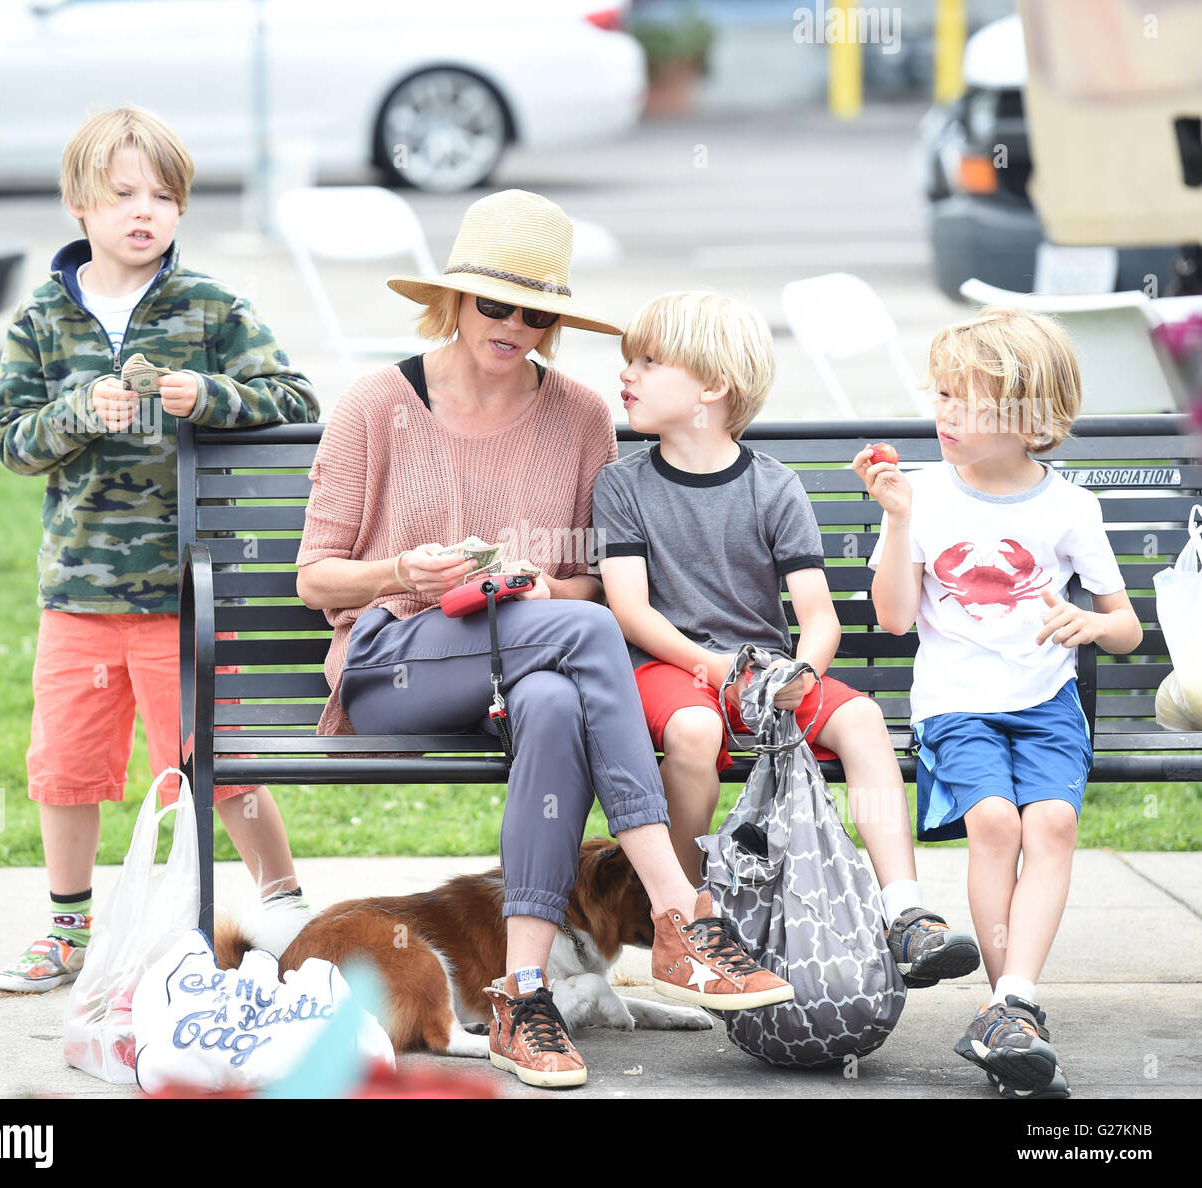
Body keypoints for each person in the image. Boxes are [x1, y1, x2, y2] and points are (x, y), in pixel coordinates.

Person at [296, 190, 793, 1090]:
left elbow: (584, 588)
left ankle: (522, 999)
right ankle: (681, 910)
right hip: (394, 664)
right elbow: (315, 577)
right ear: (452, 299)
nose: (516, 325)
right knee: (587, 634)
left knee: (561, 695)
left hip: (528, 661)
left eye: (538, 311)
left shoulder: (580, 417)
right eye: (496, 304)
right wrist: (406, 572)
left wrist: (530, 585)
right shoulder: (376, 404)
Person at [0, 107, 320, 993]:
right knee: (67, 770)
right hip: (80, 598)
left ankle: (284, 908)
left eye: (164, 196)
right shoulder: (41, 322)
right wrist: (72, 414)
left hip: (188, 591)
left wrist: (207, 394)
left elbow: (292, 399)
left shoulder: (212, 306)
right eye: (123, 194)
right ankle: (67, 929)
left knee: (220, 762)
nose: (145, 211)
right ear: (78, 204)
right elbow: (10, 442)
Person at [595, 290, 981, 996]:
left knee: (861, 718)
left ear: (713, 386)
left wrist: (801, 672)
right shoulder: (622, 485)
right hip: (668, 667)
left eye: (649, 361)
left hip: (765, 675)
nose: (628, 374)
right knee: (692, 726)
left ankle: (905, 913)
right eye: (630, 360)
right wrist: (708, 665)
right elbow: (628, 608)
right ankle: (680, 918)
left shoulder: (774, 487)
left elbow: (819, 615)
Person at [857, 306, 1142, 1099]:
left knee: (1050, 822)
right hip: (958, 705)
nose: (943, 411)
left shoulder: (1069, 508)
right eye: (939, 393)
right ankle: (1008, 1014)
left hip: (1047, 704)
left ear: (1030, 416)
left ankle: (1011, 1002)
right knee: (995, 822)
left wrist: (1091, 620)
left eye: (965, 398)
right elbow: (893, 618)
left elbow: (1125, 626)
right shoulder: (921, 496)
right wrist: (896, 520)